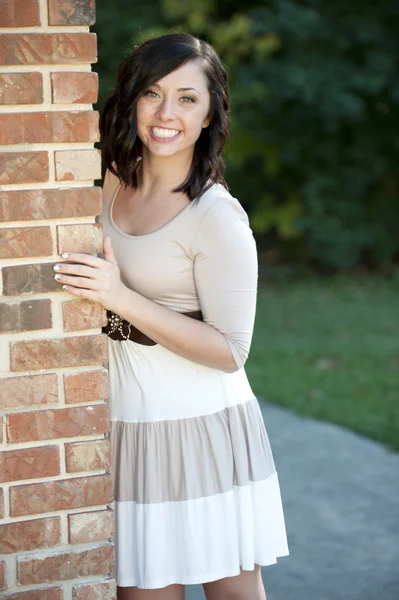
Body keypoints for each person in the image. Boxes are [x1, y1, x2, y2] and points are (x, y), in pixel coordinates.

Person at [53, 32, 289, 600]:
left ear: (209, 114)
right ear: (132, 99)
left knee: (230, 590)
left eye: (187, 98)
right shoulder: (111, 182)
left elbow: (231, 350)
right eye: (153, 94)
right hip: (130, 430)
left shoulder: (216, 215)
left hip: (201, 430)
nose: (166, 114)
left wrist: (122, 297)